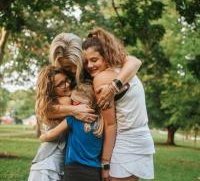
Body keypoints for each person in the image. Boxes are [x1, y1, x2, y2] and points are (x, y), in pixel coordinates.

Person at [82, 28, 155, 181]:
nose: (89, 66)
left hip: (127, 142)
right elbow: (135, 61)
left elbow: (110, 125)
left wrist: (106, 163)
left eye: (94, 60)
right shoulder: (125, 70)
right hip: (142, 138)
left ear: (106, 56)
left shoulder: (101, 78)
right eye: (86, 62)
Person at [39, 82, 113, 181]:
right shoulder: (102, 122)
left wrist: (42, 137)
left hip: (73, 170)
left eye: (73, 102)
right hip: (94, 171)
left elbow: (50, 135)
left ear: (77, 103)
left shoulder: (73, 119)